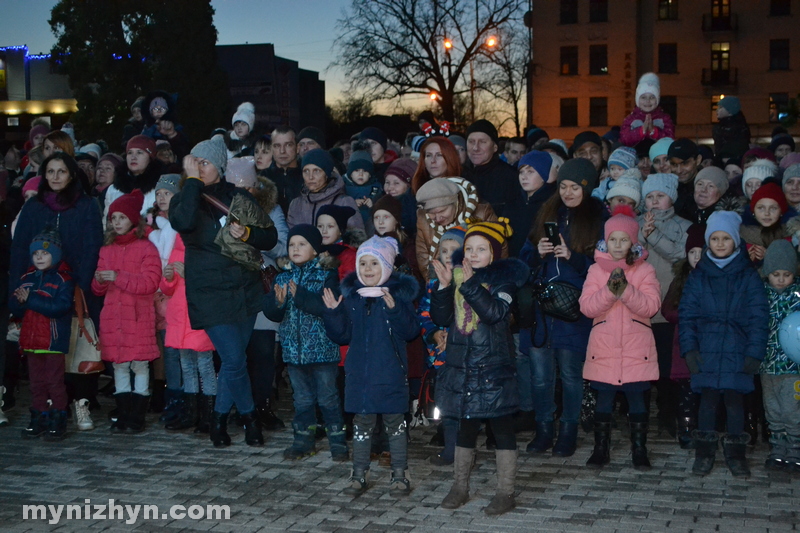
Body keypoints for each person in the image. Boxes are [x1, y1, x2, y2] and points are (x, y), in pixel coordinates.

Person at [169, 135, 278, 447]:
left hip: (244, 289)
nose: (199, 167)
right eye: (195, 162)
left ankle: (218, 420)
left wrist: (247, 232)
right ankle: (249, 420)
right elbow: (184, 220)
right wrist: (191, 181)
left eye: (204, 162)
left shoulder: (235, 196)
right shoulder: (184, 197)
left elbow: (269, 237)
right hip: (208, 293)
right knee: (233, 357)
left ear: (218, 165)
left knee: (234, 361)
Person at [430, 220, 528, 515]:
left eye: (481, 249)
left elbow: (494, 313)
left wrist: (470, 284)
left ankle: (505, 492)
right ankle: (460, 486)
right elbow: (440, 316)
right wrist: (446, 287)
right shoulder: (458, 278)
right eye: (469, 248)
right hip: (462, 366)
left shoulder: (504, 283)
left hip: (493, 367)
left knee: (501, 428)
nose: (472, 254)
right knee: (465, 426)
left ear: (494, 254)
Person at [323, 235, 420, 496]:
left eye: (374, 264)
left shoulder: (397, 297)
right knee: (361, 425)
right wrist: (332, 313)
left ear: (387, 267)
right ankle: (359, 473)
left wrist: (394, 310)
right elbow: (342, 335)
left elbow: (411, 331)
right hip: (359, 376)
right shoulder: (353, 298)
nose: (367, 269)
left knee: (395, 426)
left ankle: (400, 474)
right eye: (363, 263)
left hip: (390, 374)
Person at [520, 158, 604, 457]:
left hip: (575, 309)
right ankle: (544, 430)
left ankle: (568, 431)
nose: (568, 193)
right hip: (542, 308)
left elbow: (604, 266)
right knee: (540, 375)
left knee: (571, 374)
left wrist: (573, 257)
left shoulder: (598, 218)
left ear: (587, 188)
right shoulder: (548, 211)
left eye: (575, 187)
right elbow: (524, 257)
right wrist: (538, 252)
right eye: (564, 186)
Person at [10, 153, 104, 412]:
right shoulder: (33, 206)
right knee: (45, 352)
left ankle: (81, 403)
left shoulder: (86, 205)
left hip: (74, 288)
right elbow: (19, 249)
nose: (55, 177)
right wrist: (17, 288)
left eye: (61, 171)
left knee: (79, 346)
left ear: (72, 174)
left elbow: (92, 247)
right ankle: (47, 407)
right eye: (50, 171)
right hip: (39, 291)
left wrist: (81, 285)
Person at [679, 211, 769, 477]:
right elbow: (687, 316)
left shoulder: (748, 276)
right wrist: (689, 349)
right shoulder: (698, 276)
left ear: (736, 242)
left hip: (737, 350)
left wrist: (754, 352)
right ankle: (704, 453)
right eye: (715, 238)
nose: (720, 243)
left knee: (734, 402)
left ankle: (735, 454)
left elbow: (758, 316)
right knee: (706, 403)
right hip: (706, 350)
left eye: (725, 238)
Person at [580, 206, 661, 469]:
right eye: (612, 239)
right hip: (604, 348)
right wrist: (610, 291)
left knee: (637, 401)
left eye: (623, 239)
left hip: (636, 349)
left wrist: (625, 290)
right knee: (604, 400)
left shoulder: (645, 270)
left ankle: (640, 449)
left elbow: (650, 306)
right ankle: (600, 449)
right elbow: (588, 307)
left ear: (633, 242)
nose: (617, 245)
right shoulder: (595, 270)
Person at [264, 224, 347, 461]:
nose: (296, 249)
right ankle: (303, 440)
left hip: (323, 352)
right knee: (301, 400)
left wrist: (300, 295)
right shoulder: (282, 276)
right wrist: (278, 303)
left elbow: (324, 307)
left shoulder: (326, 275)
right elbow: (272, 313)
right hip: (293, 352)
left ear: (315, 250)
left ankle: (338, 441)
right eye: (292, 244)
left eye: (302, 244)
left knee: (328, 398)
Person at [91, 189, 162, 434]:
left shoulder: (146, 248)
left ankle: (137, 416)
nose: (117, 222)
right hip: (113, 319)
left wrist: (119, 277)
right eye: (114, 218)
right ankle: (123, 414)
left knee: (140, 365)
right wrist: (100, 280)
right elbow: (97, 289)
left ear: (133, 219)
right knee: (119, 366)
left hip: (137, 317)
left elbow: (150, 283)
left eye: (122, 217)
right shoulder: (106, 249)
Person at [637, 173, 690, 435]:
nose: (655, 201)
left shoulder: (685, 226)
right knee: (643, 364)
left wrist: (654, 236)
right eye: (650, 197)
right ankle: (639, 415)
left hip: (669, 307)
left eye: (660, 196)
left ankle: (668, 412)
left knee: (669, 367)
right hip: (640, 307)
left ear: (672, 198)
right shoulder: (635, 224)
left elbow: (681, 254)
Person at [12, 229, 75, 441]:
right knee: (36, 383)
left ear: (55, 255)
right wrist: (19, 302)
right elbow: (18, 307)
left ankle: (59, 418)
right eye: (36, 253)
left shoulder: (63, 279)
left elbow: (60, 307)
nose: (39, 257)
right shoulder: (27, 277)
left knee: (54, 383)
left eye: (45, 253)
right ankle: (39, 417)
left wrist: (30, 300)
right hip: (31, 340)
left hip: (52, 341)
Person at [417, 227, 464, 465]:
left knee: (463, 401)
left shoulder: (468, 283)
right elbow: (424, 314)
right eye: (443, 250)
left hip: (464, 353)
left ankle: (462, 449)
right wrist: (435, 333)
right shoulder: (432, 285)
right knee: (444, 400)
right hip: (440, 354)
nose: (447, 255)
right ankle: (450, 446)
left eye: (453, 250)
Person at [661, 224, 705, 448]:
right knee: (686, 395)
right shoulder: (680, 279)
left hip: (708, 346)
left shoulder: (713, 277)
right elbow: (667, 310)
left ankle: (706, 430)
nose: (696, 258)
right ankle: (686, 429)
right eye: (692, 253)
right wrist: (688, 315)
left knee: (706, 394)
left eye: (701, 252)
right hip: (684, 347)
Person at [759, 239, 800, 471]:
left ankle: (795, 450)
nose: (781, 279)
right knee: (772, 409)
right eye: (776, 274)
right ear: (768, 273)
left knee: (793, 409)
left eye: (787, 274)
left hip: (793, 367)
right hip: (767, 365)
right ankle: (777, 449)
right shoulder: (761, 295)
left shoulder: (798, 294)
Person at [415, 177, 497, 281]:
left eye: (442, 211)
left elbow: (497, 250)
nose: (438, 218)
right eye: (431, 213)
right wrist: (434, 285)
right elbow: (423, 256)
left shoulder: (482, 212)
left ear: (456, 202)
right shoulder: (423, 217)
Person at [287, 148, 363, 230]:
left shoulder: (344, 202)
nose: (310, 177)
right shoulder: (296, 205)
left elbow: (356, 237)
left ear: (327, 174)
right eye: (306, 171)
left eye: (316, 171)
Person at [103, 135, 165, 225]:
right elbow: (107, 223)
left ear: (150, 157)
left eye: (139, 152)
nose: (133, 157)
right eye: (130, 153)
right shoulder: (113, 189)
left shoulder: (161, 187)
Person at [504, 150, 555, 257]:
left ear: (543, 175)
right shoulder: (513, 201)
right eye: (521, 172)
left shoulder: (551, 204)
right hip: (512, 264)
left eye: (530, 172)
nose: (524, 177)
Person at [462, 120, 517, 215]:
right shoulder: (459, 175)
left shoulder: (510, 178)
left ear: (495, 147)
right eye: (471, 142)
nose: (475, 148)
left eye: (482, 142)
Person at [620, 73, 675, 147]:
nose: (648, 101)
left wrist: (653, 130)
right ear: (637, 100)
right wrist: (641, 130)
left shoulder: (665, 119)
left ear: (657, 99)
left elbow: (670, 139)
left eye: (652, 97)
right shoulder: (630, 119)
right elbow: (624, 139)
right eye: (643, 97)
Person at [316, 204, 364, 281]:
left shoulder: (349, 255)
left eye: (330, 226)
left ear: (341, 230)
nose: (324, 231)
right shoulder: (312, 251)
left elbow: (347, 285)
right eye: (320, 226)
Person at [267, 126, 302, 214]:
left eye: (288, 145)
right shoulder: (262, 178)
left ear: (297, 148)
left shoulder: (308, 176)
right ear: (271, 149)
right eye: (277, 146)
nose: (282, 151)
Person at [343, 150, 382, 225]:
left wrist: (373, 203)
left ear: (370, 174)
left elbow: (382, 205)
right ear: (350, 174)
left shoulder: (376, 187)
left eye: (365, 171)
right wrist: (352, 203)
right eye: (356, 170)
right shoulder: (343, 187)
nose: (361, 174)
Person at [668, 139, 703, 221]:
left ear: (698, 160)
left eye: (685, 163)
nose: (679, 170)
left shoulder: (709, 188)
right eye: (674, 164)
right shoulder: (667, 188)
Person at [383, 158, 419, 236]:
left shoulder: (414, 207)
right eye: (387, 182)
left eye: (396, 183)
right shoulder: (379, 202)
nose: (390, 188)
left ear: (409, 185)